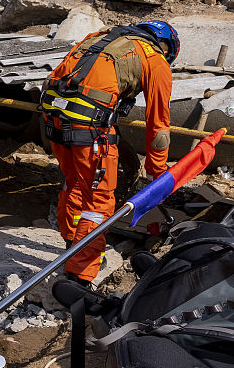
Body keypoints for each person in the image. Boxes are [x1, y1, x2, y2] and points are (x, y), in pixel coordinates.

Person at [39, 21, 177, 286]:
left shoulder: (97, 38)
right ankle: (79, 275)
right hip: (89, 128)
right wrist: (158, 172)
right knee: (99, 201)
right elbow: (159, 127)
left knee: (74, 181)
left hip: (53, 118)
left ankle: (73, 243)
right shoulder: (155, 59)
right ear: (166, 46)